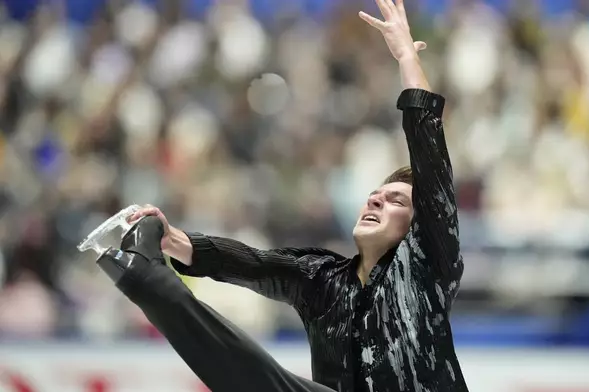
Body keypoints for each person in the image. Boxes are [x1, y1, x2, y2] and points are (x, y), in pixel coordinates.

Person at [109, 0, 468, 391]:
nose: (376, 200)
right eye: (375, 195)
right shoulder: (323, 281)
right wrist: (172, 239)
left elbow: (430, 155)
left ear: (419, 227)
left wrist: (404, 58)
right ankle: (147, 280)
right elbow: (256, 265)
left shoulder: (426, 265)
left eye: (396, 200)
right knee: (254, 369)